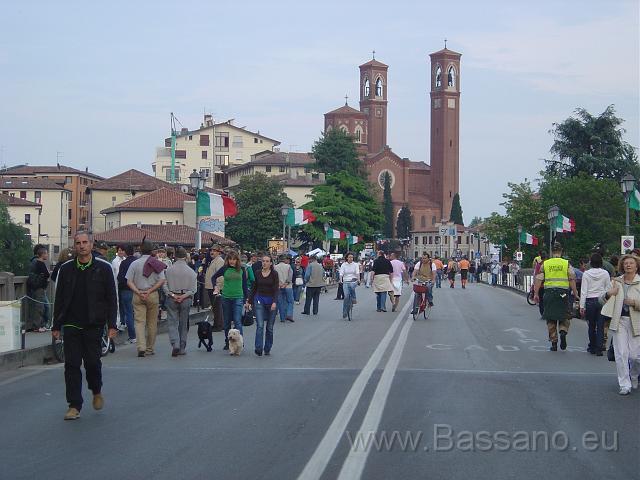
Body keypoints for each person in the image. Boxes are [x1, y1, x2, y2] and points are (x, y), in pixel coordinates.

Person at [52, 231, 117, 420]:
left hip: (93, 324)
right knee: (71, 365)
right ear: (74, 246)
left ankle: (96, 390)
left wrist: (112, 324)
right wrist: (56, 325)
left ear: (91, 244)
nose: (81, 246)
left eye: (85, 242)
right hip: (71, 323)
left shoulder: (103, 268)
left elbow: (112, 298)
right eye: (78, 243)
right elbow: (59, 299)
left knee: (92, 364)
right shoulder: (66, 269)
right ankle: (74, 405)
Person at [599, 254, 640, 395]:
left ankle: (634, 376)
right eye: (625, 263)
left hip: (636, 322)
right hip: (619, 321)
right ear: (622, 266)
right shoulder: (616, 282)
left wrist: (634, 303)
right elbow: (601, 300)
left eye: (631, 263)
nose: (628, 265)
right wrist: (610, 293)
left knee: (635, 356)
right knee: (621, 353)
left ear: (636, 266)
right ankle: (624, 384)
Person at [534, 243, 579, 352]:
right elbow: (572, 279)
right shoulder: (566, 264)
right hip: (563, 293)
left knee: (551, 318)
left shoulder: (545, 264)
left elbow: (539, 279)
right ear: (561, 251)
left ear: (552, 252)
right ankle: (563, 331)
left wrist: (535, 293)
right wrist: (575, 292)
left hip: (549, 293)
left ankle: (554, 342)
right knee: (565, 315)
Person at [126, 241, 166, 357]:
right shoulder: (156, 263)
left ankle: (141, 347)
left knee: (139, 322)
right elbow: (162, 280)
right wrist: (150, 290)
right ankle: (149, 348)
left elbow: (129, 281)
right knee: (152, 323)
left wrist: (138, 291)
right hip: (152, 294)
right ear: (152, 250)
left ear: (140, 250)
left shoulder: (134, 263)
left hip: (138, 294)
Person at [163, 247, 197, 357]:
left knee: (172, 322)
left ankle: (175, 343)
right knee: (183, 323)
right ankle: (182, 347)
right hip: (186, 298)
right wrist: (183, 296)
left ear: (175, 256)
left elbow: (164, 285)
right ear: (186, 257)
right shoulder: (191, 272)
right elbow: (194, 290)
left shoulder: (168, 270)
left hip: (172, 296)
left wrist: (172, 295)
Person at [212, 251, 249, 350]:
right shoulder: (224, 269)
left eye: (234, 259)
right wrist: (215, 287)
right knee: (227, 321)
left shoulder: (242, 269)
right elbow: (213, 277)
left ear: (237, 260)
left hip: (238, 297)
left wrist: (247, 300)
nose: (232, 261)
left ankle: (240, 341)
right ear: (227, 260)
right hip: (226, 297)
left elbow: (244, 286)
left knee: (237, 320)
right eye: (230, 259)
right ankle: (228, 342)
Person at [579, 253, 611, 356]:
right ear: (601, 262)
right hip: (601, 300)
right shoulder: (605, 273)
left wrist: (581, 306)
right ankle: (599, 348)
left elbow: (584, 291)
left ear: (591, 263)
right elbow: (608, 288)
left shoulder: (586, 274)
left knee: (591, 325)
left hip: (590, 301)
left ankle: (592, 346)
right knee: (600, 326)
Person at [249, 255, 279, 356]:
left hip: (271, 301)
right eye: (263, 261)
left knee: (269, 327)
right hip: (259, 300)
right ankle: (258, 347)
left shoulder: (274, 274)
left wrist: (274, 302)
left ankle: (267, 347)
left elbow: (276, 289)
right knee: (260, 325)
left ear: (271, 263)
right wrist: (249, 301)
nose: (264, 263)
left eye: (267, 261)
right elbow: (254, 288)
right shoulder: (257, 273)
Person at [27, 244, 50, 332]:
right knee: (39, 307)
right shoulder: (37, 262)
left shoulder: (38, 262)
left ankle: (42, 324)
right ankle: (37, 326)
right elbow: (43, 274)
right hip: (38, 287)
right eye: (46, 253)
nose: (47, 255)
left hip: (40, 287)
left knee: (45, 306)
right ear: (42, 254)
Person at [116, 244, 136, 342]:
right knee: (138, 312)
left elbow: (120, 278)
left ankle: (132, 336)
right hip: (138, 290)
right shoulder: (137, 262)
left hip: (126, 290)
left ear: (125, 252)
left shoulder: (124, 263)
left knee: (128, 313)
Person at [204, 245, 225, 331]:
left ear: (219, 252)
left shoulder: (219, 261)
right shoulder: (213, 261)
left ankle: (218, 325)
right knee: (215, 307)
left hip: (215, 288)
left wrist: (218, 287)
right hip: (211, 287)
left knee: (217, 307)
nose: (212, 252)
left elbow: (220, 276)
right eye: (211, 250)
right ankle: (217, 324)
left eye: (214, 250)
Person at [274, 255, 295, 322]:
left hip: (278, 286)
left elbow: (274, 277)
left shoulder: (275, 267)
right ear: (284, 259)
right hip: (288, 286)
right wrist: (285, 284)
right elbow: (290, 276)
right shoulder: (288, 266)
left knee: (280, 302)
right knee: (290, 301)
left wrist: (280, 284)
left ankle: (282, 318)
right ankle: (289, 314)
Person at [339, 252, 359, 319]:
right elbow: (341, 273)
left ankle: (353, 298)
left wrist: (358, 280)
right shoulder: (344, 265)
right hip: (345, 281)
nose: (351, 258)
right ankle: (344, 312)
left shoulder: (355, 264)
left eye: (352, 257)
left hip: (353, 280)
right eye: (349, 257)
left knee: (352, 286)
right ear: (347, 258)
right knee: (346, 296)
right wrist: (341, 280)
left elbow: (357, 273)